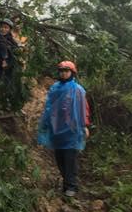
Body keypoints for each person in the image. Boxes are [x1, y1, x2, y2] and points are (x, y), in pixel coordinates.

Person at [37, 61, 91, 197]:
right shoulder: (55, 88)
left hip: (72, 130)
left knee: (69, 159)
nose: (63, 73)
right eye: (61, 71)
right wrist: (45, 124)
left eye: (66, 71)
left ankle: (71, 186)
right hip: (57, 130)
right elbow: (49, 107)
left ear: (72, 73)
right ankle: (66, 184)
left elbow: (83, 109)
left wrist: (84, 126)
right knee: (59, 158)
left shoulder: (78, 90)